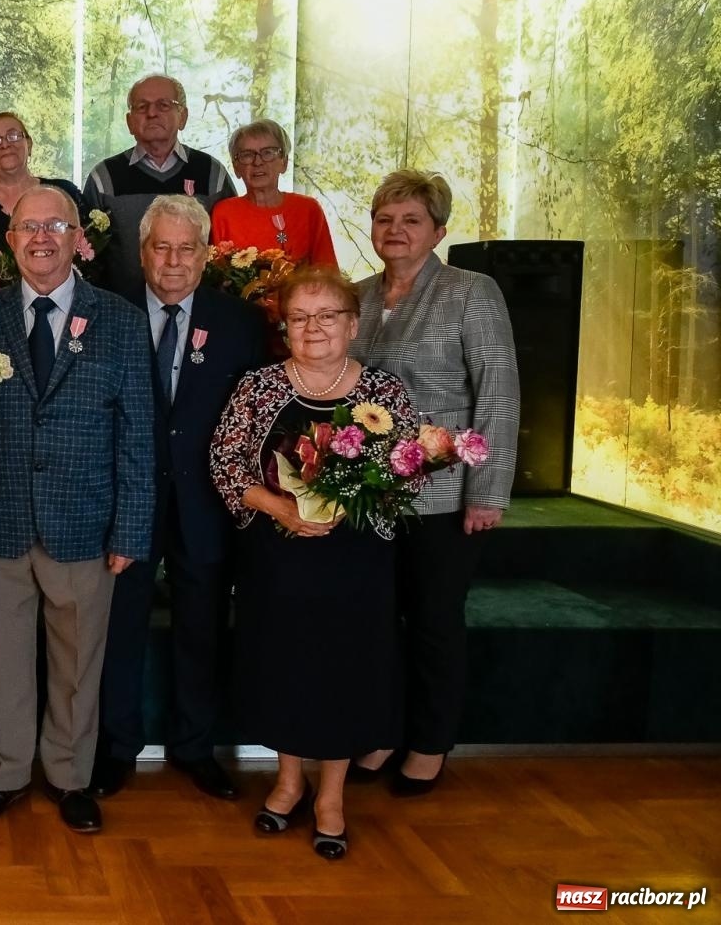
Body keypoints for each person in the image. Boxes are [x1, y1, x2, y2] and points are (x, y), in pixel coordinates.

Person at [0, 186, 154, 836]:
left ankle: (70, 776)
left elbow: (138, 433)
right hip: (2, 518)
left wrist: (132, 528)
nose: (42, 237)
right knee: (0, 658)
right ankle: (5, 773)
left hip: (86, 524)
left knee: (77, 663)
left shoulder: (120, 320)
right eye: (28, 227)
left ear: (78, 238)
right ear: (10, 242)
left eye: (55, 225)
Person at [209, 267, 421, 860]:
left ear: (353, 324)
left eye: (328, 315)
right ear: (285, 327)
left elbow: (407, 474)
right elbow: (225, 463)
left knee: (344, 672)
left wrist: (352, 498)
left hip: (354, 564)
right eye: (300, 317)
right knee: (285, 666)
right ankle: (288, 781)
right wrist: (280, 506)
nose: (314, 327)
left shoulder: (385, 392)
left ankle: (331, 796)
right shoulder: (258, 387)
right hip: (279, 562)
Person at [89, 195, 267, 802]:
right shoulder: (109, 318)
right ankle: (115, 749)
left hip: (207, 505)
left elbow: (254, 420)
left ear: (206, 254)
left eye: (186, 248)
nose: (172, 260)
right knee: (120, 630)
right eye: (160, 247)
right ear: (142, 253)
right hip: (126, 503)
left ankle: (196, 748)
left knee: (202, 630)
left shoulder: (241, 322)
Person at [349, 169, 519, 795]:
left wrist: (488, 493)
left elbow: (498, 396)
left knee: (433, 621)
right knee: (376, 622)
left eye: (411, 220)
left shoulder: (472, 292)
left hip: (447, 495)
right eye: (385, 219)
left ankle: (428, 742)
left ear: (439, 231)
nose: (395, 231)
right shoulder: (360, 295)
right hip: (372, 492)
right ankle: (385, 730)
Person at [82, 74, 238, 299]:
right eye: (141, 106)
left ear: (182, 117)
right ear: (129, 121)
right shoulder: (104, 177)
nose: (152, 113)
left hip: (198, 315)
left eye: (163, 105)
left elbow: (228, 252)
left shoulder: (212, 173)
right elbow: (87, 259)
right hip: (122, 313)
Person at [0, 111, 87, 292]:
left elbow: (94, 257)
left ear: (29, 144)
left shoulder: (65, 193)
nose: (5, 144)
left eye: (13, 136)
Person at [209, 119, 337, 267]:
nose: (258, 162)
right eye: (247, 155)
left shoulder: (308, 209)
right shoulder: (224, 213)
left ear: (284, 162)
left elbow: (328, 273)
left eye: (268, 153)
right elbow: (217, 280)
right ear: (236, 167)